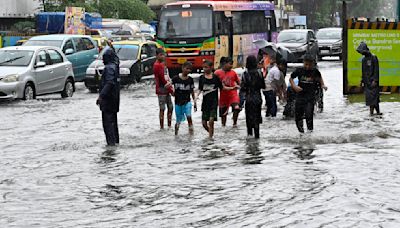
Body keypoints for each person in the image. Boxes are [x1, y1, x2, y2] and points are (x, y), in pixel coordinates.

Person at [290, 54, 327, 133]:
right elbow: (291, 78)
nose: (307, 67)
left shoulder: (315, 71)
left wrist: (323, 85)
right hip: (300, 96)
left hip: (310, 97)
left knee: (309, 115)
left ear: (313, 64)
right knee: (298, 116)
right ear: (303, 63)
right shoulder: (299, 70)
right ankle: (301, 133)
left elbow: (320, 78)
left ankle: (310, 134)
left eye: (310, 65)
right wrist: (294, 86)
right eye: (306, 64)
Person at [96, 48, 121, 146]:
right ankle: (115, 142)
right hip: (114, 100)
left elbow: (109, 83)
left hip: (108, 101)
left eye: (104, 58)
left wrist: (101, 96)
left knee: (108, 124)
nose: (102, 60)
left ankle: (111, 145)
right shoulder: (115, 66)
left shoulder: (109, 68)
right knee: (114, 123)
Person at [240, 55, 266, 139]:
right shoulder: (260, 73)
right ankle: (257, 137)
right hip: (258, 98)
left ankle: (250, 136)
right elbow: (263, 86)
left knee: (249, 118)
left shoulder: (245, 74)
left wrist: (240, 102)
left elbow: (243, 88)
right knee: (257, 118)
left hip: (249, 98)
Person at [197, 60, 222, 138]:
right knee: (204, 123)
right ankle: (211, 134)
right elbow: (200, 89)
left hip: (214, 102)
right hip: (205, 103)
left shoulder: (215, 78)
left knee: (211, 121)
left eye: (206, 67)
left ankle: (210, 138)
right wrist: (196, 97)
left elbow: (222, 88)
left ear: (211, 67)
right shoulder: (201, 78)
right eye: (203, 67)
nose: (204, 69)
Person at [172, 61, 197, 135]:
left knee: (189, 116)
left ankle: (191, 132)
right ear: (182, 68)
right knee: (178, 120)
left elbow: (192, 91)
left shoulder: (190, 80)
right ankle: (176, 134)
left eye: (190, 69)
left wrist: (194, 102)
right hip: (178, 102)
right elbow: (169, 85)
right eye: (187, 68)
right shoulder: (176, 78)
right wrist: (171, 92)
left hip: (187, 101)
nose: (188, 70)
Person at [215, 57, 241, 127]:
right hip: (223, 96)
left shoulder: (233, 73)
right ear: (224, 64)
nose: (231, 66)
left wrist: (240, 86)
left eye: (232, 64)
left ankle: (234, 123)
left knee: (236, 108)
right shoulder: (217, 73)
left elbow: (239, 82)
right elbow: (213, 83)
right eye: (230, 64)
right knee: (223, 114)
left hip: (233, 94)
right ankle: (223, 127)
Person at [357, 42, 381, 116]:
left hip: (373, 82)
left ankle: (371, 114)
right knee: (373, 99)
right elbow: (363, 71)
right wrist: (362, 81)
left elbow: (376, 70)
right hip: (367, 83)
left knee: (373, 99)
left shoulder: (374, 57)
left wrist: (375, 80)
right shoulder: (364, 60)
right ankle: (378, 113)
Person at [154, 48, 174, 130]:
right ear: (157, 55)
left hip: (166, 88)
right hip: (162, 90)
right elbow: (162, 79)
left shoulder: (162, 64)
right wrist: (171, 89)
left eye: (164, 54)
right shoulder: (157, 65)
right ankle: (162, 127)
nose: (163, 56)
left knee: (170, 107)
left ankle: (169, 125)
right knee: (162, 108)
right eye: (161, 55)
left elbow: (166, 77)